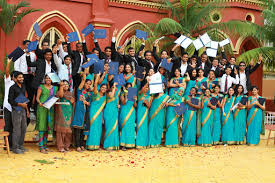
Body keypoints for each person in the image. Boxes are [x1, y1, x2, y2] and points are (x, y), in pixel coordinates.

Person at [36, 75, 58, 153]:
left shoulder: (55, 88)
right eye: (47, 78)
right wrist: (40, 103)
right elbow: (37, 98)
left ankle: (45, 145)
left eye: (49, 78)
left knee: (47, 126)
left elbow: (56, 97)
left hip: (50, 109)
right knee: (42, 127)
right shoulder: (41, 87)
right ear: (44, 79)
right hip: (42, 108)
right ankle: (41, 146)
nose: (48, 79)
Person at [8, 71, 29, 154]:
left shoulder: (23, 86)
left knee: (24, 128)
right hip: (16, 110)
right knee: (17, 129)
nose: (22, 79)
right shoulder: (12, 88)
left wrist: (27, 110)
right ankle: (15, 148)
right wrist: (20, 104)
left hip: (23, 109)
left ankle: (21, 146)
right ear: (15, 78)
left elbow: (24, 98)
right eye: (20, 77)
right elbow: (10, 100)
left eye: (22, 77)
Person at [71, 74, 92, 152]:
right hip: (79, 111)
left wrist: (87, 103)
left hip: (86, 112)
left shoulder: (89, 93)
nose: (88, 85)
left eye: (90, 84)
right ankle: (77, 145)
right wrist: (86, 71)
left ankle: (81, 144)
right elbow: (83, 80)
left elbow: (90, 103)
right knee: (78, 129)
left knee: (83, 129)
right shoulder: (80, 90)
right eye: (87, 83)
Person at [86, 74, 107, 150]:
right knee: (92, 128)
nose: (103, 89)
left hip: (99, 114)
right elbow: (95, 85)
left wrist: (103, 118)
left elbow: (102, 108)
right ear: (100, 88)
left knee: (98, 129)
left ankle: (96, 145)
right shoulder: (96, 93)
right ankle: (90, 145)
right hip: (93, 113)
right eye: (102, 87)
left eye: (105, 88)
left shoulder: (105, 98)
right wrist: (97, 76)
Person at [55, 80, 75, 152]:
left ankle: (67, 145)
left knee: (68, 131)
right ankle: (61, 147)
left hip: (69, 112)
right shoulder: (58, 92)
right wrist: (61, 86)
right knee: (61, 131)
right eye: (64, 84)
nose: (66, 85)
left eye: (67, 84)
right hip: (61, 113)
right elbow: (61, 96)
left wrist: (73, 102)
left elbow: (73, 103)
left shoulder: (70, 93)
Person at [148, 83, 169, 147]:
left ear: (165, 88)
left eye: (163, 86)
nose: (161, 87)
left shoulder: (166, 96)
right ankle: (150, 142)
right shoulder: (154, 95)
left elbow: (167, 105)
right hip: (152, 112)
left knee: (159, 127)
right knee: (151, 126)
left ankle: (157, 142)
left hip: (161, 113)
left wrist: (167, 105)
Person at [119, 83, 137, 150]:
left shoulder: (133, 94)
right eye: (127, 88)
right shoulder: (122, 94)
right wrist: (126, 96)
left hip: (132, 113)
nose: (129, 89)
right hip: (125, 112)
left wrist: (135, 100)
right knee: (125, 127)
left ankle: (130, 144)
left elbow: (135, 106)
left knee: (131, 128)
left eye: (130, 88)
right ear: (125, 88)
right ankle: (123, 145)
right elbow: (123, 103)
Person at [103, 82, 120, 150]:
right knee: (109, 128)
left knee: (115, 128)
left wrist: (118, 106)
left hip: (114, 112)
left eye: (115, 87)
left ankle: (114, 145)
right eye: (113, 87)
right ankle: (108, 145)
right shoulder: (109, 93)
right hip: (108, 112)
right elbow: (111, 96)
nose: (115, 88)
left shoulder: (117, 96)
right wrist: (113, 87)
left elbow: (117, 104)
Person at [3, 58, 15, 149]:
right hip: (7, 107)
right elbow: (7, 73)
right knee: (7, 126)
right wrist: (8, 63)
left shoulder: (19, 86)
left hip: (15, 108)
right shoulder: (8, 82)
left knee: (13, 126)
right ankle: (6, 145)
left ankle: (12, 144)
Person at [136, 82, 152, 149]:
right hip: (139, 113)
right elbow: (141, 90)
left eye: (147, 88)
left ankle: (144, 144)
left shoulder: (150, 97)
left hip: (145, 114)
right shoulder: (139, 95)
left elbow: (149, 106)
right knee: (140, 127)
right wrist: (147, 82)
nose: (146, 89)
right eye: (145, 87)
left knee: (144, 128)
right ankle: (139, 144)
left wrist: (146, 102)